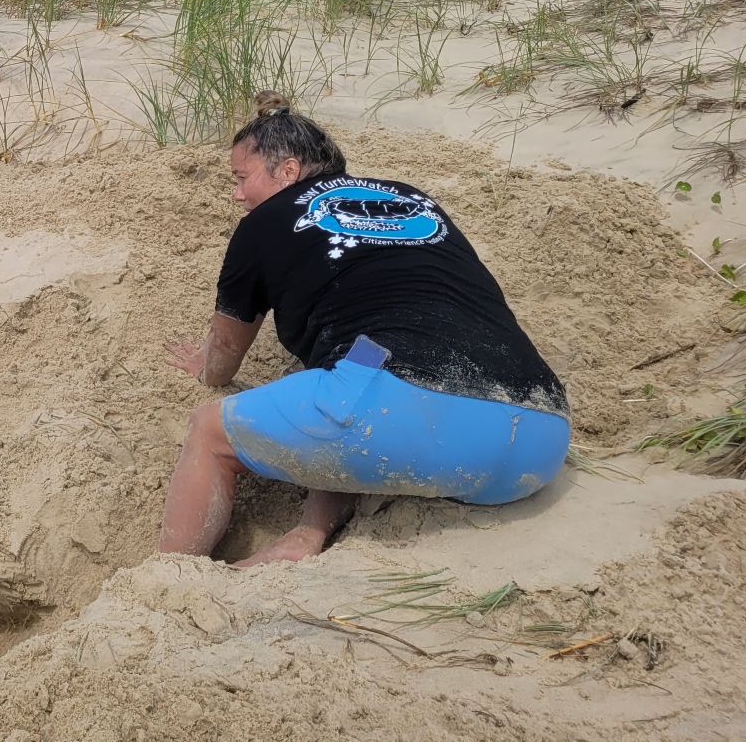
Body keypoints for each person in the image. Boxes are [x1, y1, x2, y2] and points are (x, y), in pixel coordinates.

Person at [159, 91, 570, 567]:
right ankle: (309, 532)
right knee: (346, 366)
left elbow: (223, 360)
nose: (236, 195)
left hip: (412, 415)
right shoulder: (412, 197)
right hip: (539, 437)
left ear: (287, 171)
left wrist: (206, 365)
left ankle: (166, 580)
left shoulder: (263, 223)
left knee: (211, 432)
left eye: (241, 178)